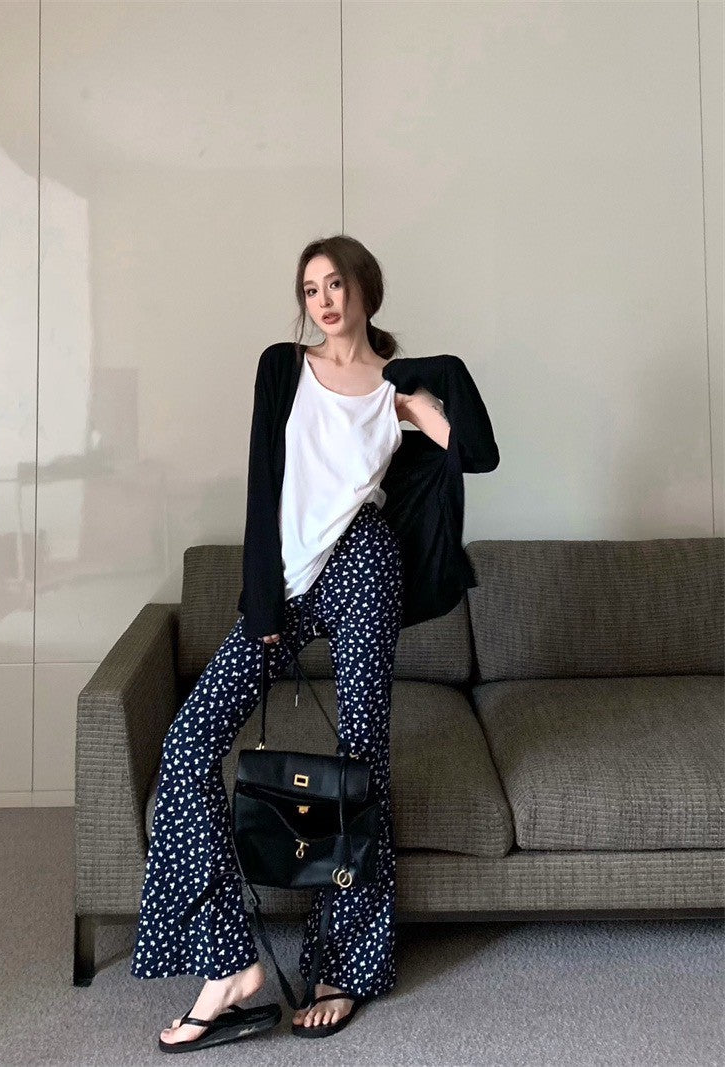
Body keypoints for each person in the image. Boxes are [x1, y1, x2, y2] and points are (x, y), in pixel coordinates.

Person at [130, 234, 500, 1051]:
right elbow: (263, 482)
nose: (324, 300)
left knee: (359, 760)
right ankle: (230, 963)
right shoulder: (282, 367)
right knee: (188, 746)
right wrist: (262, 596)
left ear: (366, 289)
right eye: (310, 288)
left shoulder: (396, 390)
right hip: (287, 580)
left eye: (336, 284)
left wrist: (421, 388)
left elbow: (479, 452)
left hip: (364, 561)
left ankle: (341, 967)